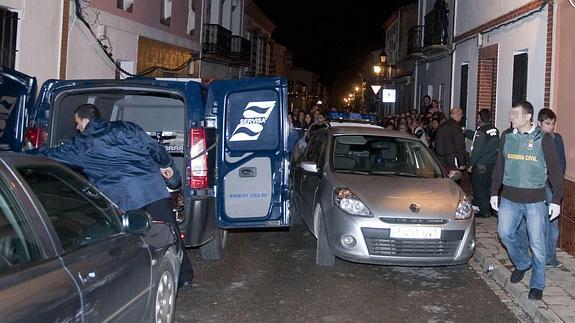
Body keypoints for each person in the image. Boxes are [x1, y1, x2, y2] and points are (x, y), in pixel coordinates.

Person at [30, 103, 195, 289]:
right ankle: (184, 276)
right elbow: (155, 148)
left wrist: (18, 153)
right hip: (153, 191)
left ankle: (133, 283)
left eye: (77, 123)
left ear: (85, 120)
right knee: (168, 234)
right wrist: (167, 167)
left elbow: (49, 155)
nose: (77, 128)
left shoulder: (81, 144)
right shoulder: (127, 127)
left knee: (129, 243)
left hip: (121, 201)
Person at [490, 101, 564, 301]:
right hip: (509, 199)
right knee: (504, 233)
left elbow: (556, 171)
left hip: (534, 201)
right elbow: (500, 165)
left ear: (528, 117)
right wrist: (494, 191)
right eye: (511, 114)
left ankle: (537, 284)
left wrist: (556, 199)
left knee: (538, 243)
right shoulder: (506, 137)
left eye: (516, 114)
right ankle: (523, 263)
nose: (512, 118)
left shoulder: (543, 139)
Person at [537, 108, 566, 268]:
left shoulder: (557, 139)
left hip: (552, 187)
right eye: (547, 124)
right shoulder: (535, 139)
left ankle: (550, 257)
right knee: (536, 223)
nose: (551, 127)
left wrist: (557, 183)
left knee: (552, 225)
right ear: (540, 123)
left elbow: (561, 162)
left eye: (553, 124)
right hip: (537, 187)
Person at [464, 109, 499, 217]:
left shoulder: (481, 132)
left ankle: (484, 211)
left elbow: (476, 150)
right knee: (487, 187)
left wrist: (470, 165)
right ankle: (485, 207)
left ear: (480, 118)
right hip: (492, 164)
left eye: (478, 117)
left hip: (481, 165)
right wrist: (466, 132)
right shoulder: (495, 130)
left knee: (479, 187)